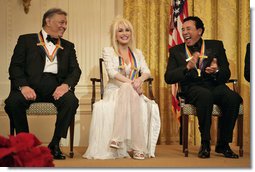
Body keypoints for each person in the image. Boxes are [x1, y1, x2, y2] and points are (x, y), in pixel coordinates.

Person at [4, 8, 81, 160]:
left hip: (56, 88)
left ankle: (55, 144)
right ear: (48, 21)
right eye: (61, 22)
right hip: (29, 86)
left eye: (66, 23)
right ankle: (25, 145)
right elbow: (15, 66)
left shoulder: (69, 46)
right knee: (13, 102)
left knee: (71, 101)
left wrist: (66, 86)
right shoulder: (26, 40)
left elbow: (75, 71)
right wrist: (23, 86)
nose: (64, 26)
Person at [83, 16, 160, 160]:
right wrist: (133, 84)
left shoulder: (137, 52)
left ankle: (117, 138)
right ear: (115, 35)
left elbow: (147, 71)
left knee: (127, 87)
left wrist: (140, 79)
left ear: (131, 33)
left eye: (127, 30)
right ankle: (138, 148)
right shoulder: (108, 51)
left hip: (133, 91)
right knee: (125, 86)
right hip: (114, 91)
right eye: (120, 31)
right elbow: (112, 73)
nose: (124, 33)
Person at [164, 16, 242, 159]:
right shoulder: (176, 51)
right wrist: (186, 67)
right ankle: (205, 142)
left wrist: (217, 70)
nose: (185, 32)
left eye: (189, 29)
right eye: (183, 29)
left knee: (233, 98)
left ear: (199, 31)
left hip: (214, 84)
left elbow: (226, 73)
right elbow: (168, 78)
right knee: (204, 96)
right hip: (192, 88)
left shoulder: (216, 46)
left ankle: (223, 144)